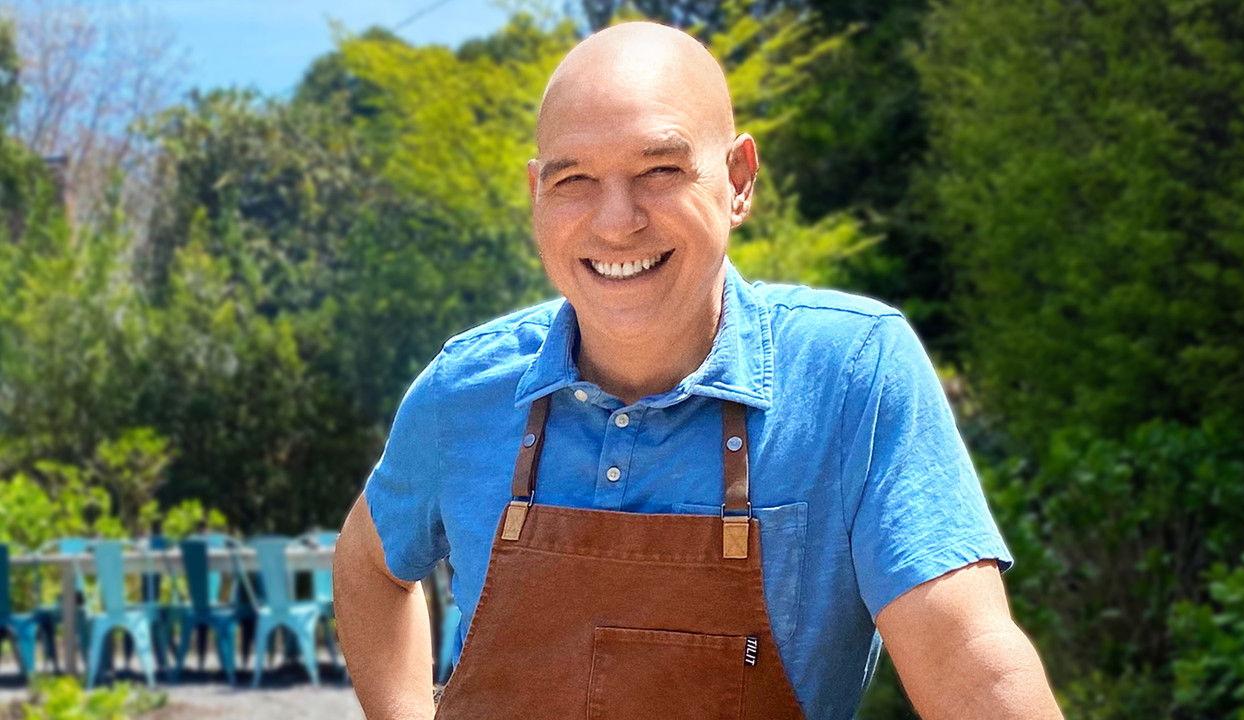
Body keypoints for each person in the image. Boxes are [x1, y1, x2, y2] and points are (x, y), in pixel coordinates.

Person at [334, 20, 1064, 720]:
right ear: (536, 195)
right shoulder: (466, 388)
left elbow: (969, 658)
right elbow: (369, 561)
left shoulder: (850, 376)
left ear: (738, 179)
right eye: (574, 179)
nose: (616, 221)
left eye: (659, 170)